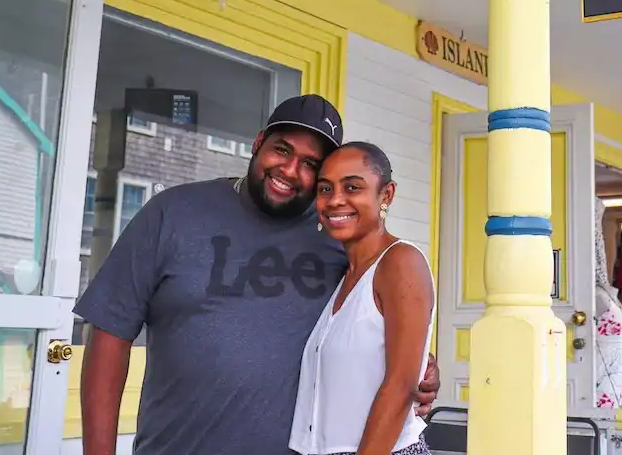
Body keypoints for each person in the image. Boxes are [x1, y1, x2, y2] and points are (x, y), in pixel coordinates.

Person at [74, 95, 441, 455]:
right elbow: (110, 333)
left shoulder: (337, 236)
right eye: (282, 150)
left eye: (310, 164)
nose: (290, 170)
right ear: (258, 142)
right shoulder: (173, 213)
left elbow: (371, 323)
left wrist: (419, 365)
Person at [290, 142, 436, 455]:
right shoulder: (345, 276)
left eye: (352, 187)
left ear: (386, 195)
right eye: (325, 189)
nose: (335, 200)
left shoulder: (401, 262)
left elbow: (400, 386)